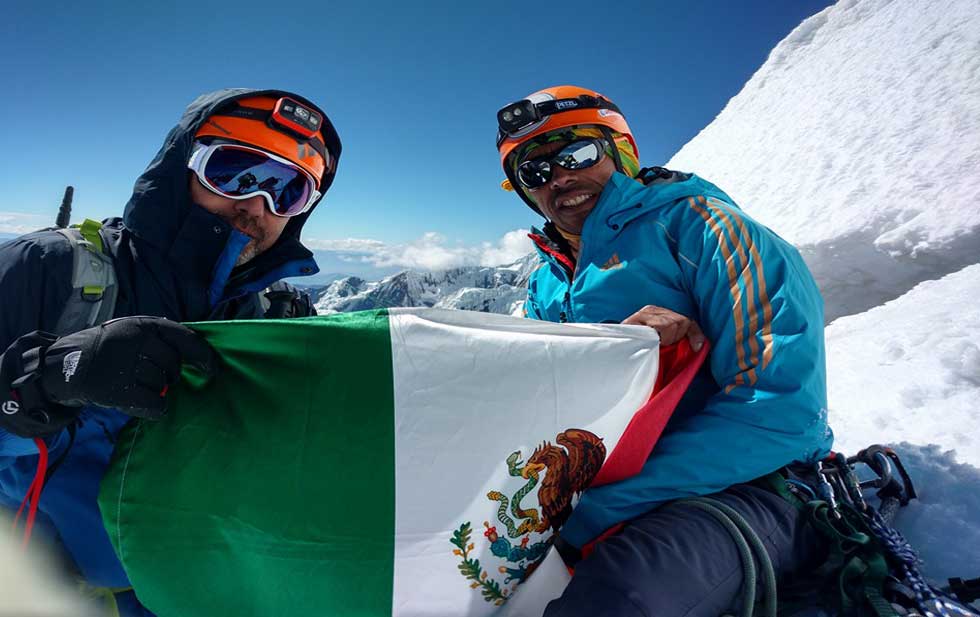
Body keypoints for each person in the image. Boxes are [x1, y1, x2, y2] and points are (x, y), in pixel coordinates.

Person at [0, 88, 341, 615]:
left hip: (208, 593)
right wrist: (44, 380)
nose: (257, 206)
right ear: (181, 166)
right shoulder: (46, 270)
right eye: (235, 171)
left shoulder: (280, 317)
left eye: (287, 191)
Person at [495, 85, 832, 616]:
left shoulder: (708, 231)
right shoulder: (546, 283)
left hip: (746, 486)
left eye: (577, 154)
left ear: (621, 150)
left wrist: (587, 512)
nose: (559, 178)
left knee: (614, 599)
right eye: (533, 173)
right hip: (596, 490)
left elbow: (781, 413)